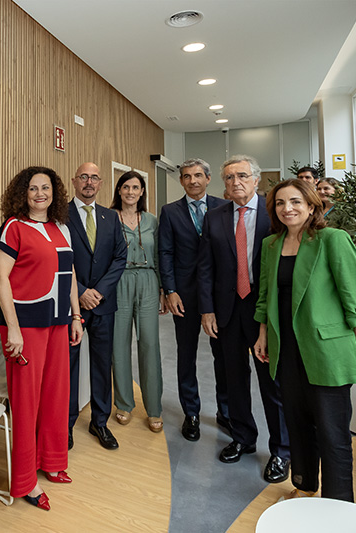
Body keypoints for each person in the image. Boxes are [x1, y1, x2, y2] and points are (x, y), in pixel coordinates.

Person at [254, 178, 356, 501]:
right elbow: (265, 294)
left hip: (325, 349)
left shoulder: (332, 239)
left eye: (295, 202)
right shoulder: (271, 245)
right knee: (296, 423)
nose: (287, 209)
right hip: (287, 349)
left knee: (332, 431)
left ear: (312, 206)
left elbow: (353, 293)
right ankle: (305, 485)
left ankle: (339, 504)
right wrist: (263, 333)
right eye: (280, 203)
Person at [0, 166, 84, 511]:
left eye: (46, 188)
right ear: (23, 193)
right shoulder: (13, 228)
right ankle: (25, 482)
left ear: (54, 193)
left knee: (55, 395)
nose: (40, 194)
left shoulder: (59, 227)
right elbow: (1, 278)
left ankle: (52, 460)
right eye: (33, 189)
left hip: (58, 322)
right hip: (25, 326)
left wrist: (76, 316)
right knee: (27, 403)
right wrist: (13, 329)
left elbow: (70, 273)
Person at [197, 155, 291, 484]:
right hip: (226, 311)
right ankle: (243, 437)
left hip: (265, 311)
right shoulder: (215, 217)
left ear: (256, 179)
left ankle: (281, 450)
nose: (236, 182)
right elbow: (206, 268)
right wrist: (207, 310)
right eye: (229, 177)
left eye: (242, 176)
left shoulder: (274, 212)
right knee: (232, 378)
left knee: (271, 382)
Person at [158, 158, 230, 442]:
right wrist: (170, 289)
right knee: (186, 355)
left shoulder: (224, 208)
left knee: (223, 355)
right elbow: (165, 252)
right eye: (187, 176)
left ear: (208, 178)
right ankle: (191, 413)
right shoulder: (170, 212)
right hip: (184, 294)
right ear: (181, 181)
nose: (193, 181)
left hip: (219, 294)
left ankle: (225, 411)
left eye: (198, 175)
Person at [66, 162, 127, 450]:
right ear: (74, 181)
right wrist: (79, 292)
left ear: (101, 183)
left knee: (103, 364)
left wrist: (98, 292)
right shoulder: (59, 216)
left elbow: (119, 258)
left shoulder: (110, 218)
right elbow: (57, 260)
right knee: (68, 366)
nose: (89, 182)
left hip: (103, 305)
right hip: (70, 306)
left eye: (94, 178)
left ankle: (99, 422)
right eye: (83, 177)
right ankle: (65, 424)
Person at [110, 171, 165, 432]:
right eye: (126, 187)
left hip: (148, 281)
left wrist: (164, 289)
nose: (131, 192)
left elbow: (161, 255)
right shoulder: (109, 218)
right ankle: (123, 403)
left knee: (150, 344)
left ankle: (154, 408)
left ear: (142, 191)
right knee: (118, 344)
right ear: (119, 190)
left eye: (136, 187)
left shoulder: (152, 220)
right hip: (119, 282)